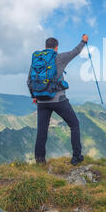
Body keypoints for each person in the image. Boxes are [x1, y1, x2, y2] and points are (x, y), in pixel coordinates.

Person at [27, 34, 88, 166]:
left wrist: (35, 96)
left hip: (42, 102)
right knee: (74, 124)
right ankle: (76, 157)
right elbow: (76, 51)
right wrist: (83, 41)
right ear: (56, 47)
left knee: (41, 132)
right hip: (58, 100)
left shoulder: (37, 60)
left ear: (45, 46)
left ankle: (40, 162)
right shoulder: (59, 57)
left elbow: (29, 81)